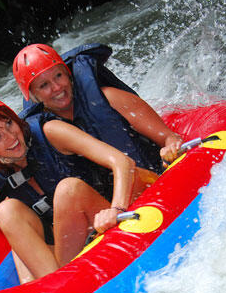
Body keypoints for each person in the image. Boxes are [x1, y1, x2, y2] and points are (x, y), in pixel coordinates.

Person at [0, 94, 153, 284]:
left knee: (68, 190)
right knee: (6, 210)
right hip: (69, 246)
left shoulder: (50, 131)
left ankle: (57, 283)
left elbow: (122, 162)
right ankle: (55, 287)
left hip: (105, 218)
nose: (11, 137)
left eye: (9, 124)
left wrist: (116, 209)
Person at [12, 43, 183, 198]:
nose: (57, 87)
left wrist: (170, 149)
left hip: (148, 182)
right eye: (44, 85)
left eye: (58, 76)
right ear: (33, 97)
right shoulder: (43, 132)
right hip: (104, 206)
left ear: (68, 73)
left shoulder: (109, 99)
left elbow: (169, 137)